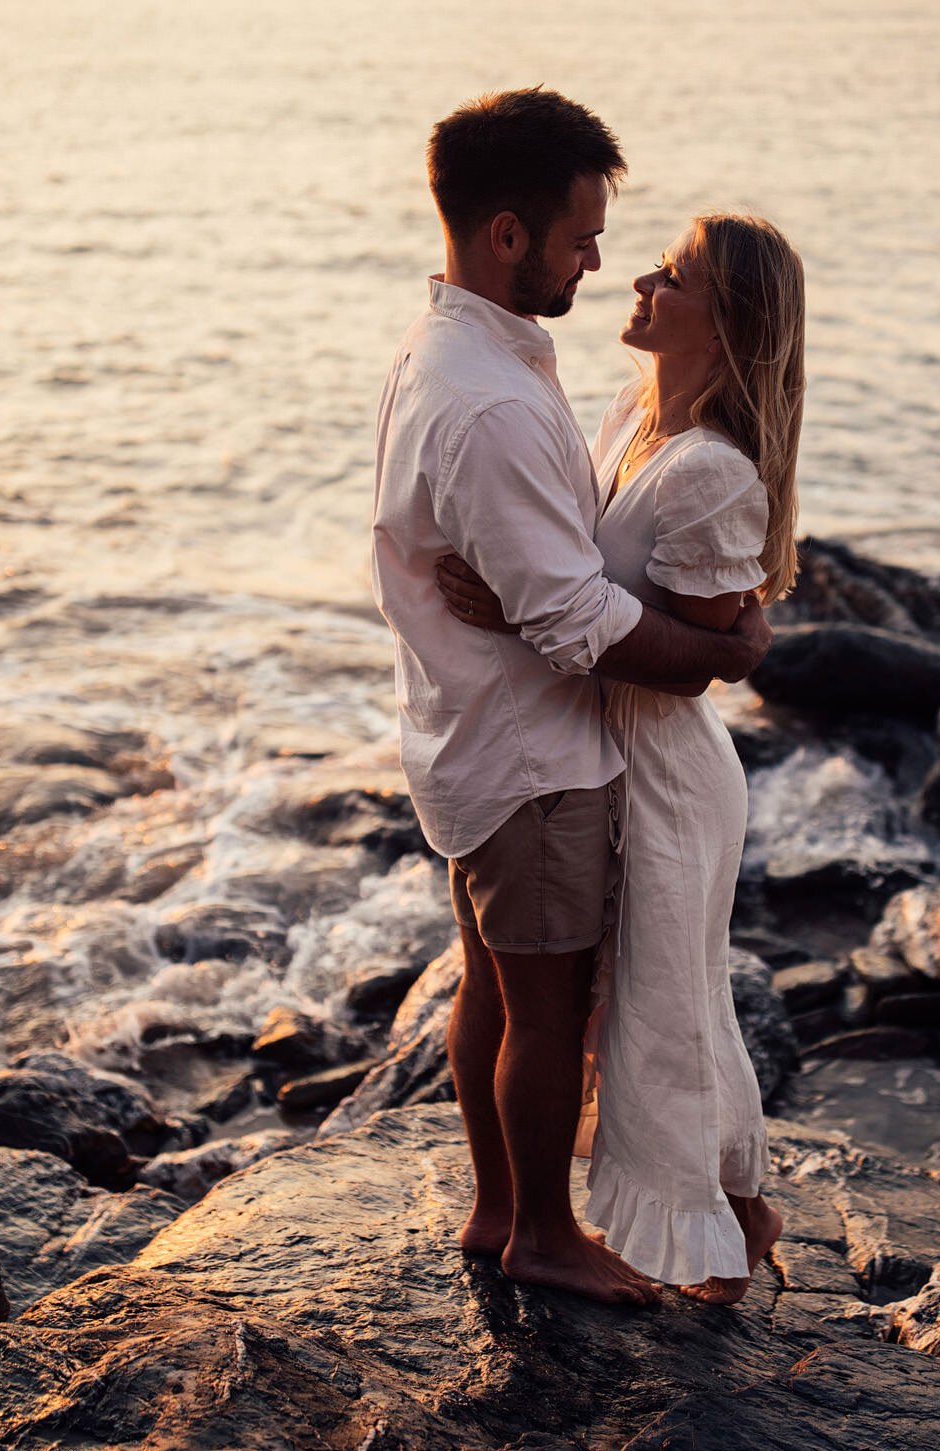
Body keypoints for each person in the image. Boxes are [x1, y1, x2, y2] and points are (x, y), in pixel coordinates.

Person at [369, 87, 774, 1309]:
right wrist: (727, 654)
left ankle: (501, 1212)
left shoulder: (456, 354)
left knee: (492, 987)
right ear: (507, 233)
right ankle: (542, 1231)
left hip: (469, 735)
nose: (601, 260)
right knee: (542, 1011)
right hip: (534, 754)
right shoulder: (490, 398)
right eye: (584, 235)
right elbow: (574, 619)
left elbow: (552, 577)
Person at [438, 212, 806, 1305]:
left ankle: (713, 1239)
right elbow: (605, 591)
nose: (639, 278)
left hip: (664, 771)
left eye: (674, 275)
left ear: (727, 322)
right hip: (592, 744)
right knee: (659, 1001)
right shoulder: (631, 414)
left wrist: (520, 618)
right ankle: (734, 1211)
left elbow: (690, 663)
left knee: (661, 1007)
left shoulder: (710, 474)